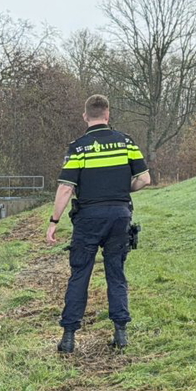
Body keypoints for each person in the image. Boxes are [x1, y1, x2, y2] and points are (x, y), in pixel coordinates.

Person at [46, 94, 150, 353]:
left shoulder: (78, 147)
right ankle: (121, 333)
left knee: (80, 273)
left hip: (88, 218)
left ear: (85, 116)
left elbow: (66, 188)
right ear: (108, 114)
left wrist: (54, 221)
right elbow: (145, 179)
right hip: (119, 216)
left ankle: (69, 337)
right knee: (116, 272)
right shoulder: (126, 142)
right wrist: (121, 191)